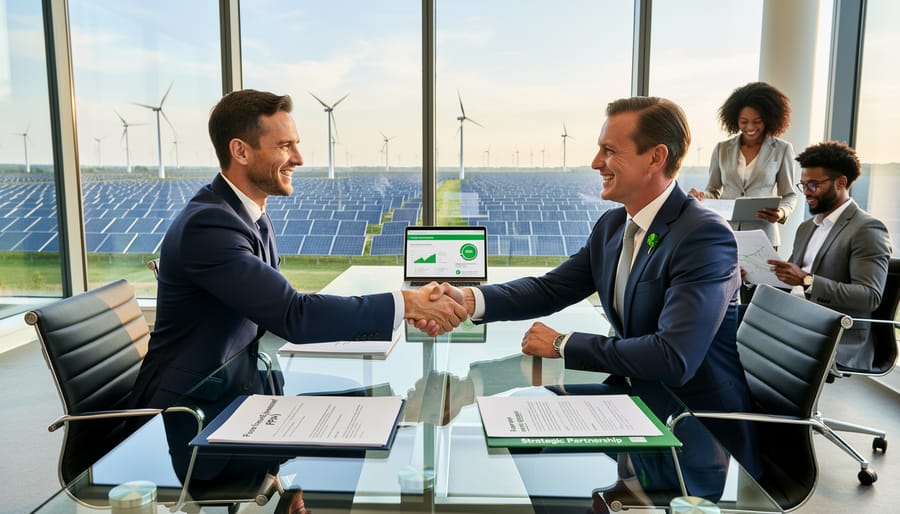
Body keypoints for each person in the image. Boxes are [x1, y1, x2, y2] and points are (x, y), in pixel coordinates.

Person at [129, 89, 468, 484]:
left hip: (246, 395)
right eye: (285, 146)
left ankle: (406, 415)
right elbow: (293, 315)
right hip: (196, 423)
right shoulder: (209, 226)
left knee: (371, 412)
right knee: (367, 436)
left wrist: (398, 310)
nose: (300, 159)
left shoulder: (248, 216)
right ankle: (408, 418)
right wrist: (407, 304)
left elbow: (282, 307)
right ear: (240, 151)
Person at [429, 96, 761, 498]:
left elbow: (673, 357)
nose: (595, 162)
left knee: (538, 466)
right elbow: (552, 288)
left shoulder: (703, 236)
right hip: (635, 403)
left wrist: (562, 344)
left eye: (609, 151)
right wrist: (469, 300)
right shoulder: (614, 226)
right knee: (512, 430)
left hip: (689, 431)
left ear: (655, 157)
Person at [766, 141, 892, 370]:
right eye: (803, 184)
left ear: (841, 182)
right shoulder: (806, 227)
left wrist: (807, 281)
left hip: (833, 334)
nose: (806, 191)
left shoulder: (867, 229)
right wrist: (754, 273)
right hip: (795, 320)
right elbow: (789, 279)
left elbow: (869, 296)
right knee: (727, 324)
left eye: (813, 184)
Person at [689, 81, 797, 249]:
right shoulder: (721, 149)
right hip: (726, 232)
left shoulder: (782, 150)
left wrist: (782, 212)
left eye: (757, 121)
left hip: (763, 234)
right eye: (744, 121)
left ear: (768, 119)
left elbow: (789, 195)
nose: (750, 127)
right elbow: (713, 191)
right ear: (735, 120)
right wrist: (702, 196)